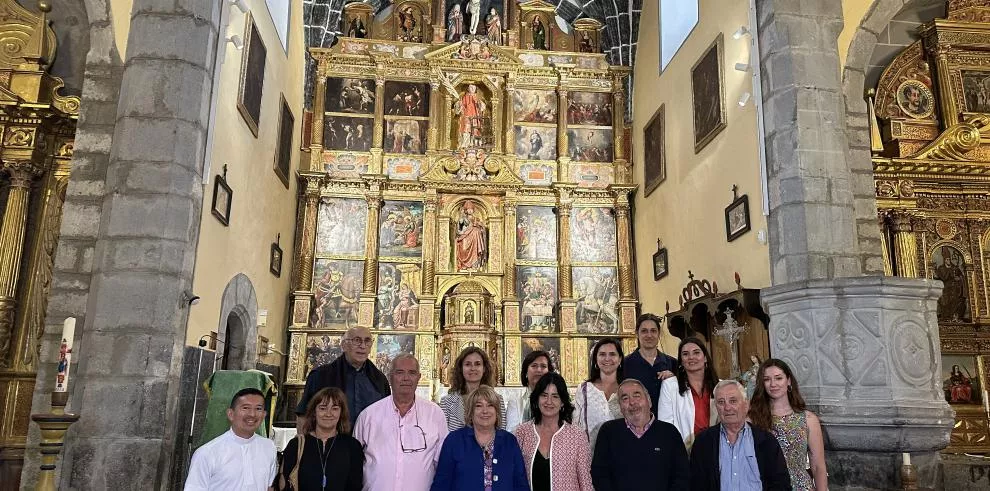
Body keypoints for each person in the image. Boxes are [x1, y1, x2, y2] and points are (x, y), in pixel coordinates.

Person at [353, 354, 448, 491]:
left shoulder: (435, 414)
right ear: (390, 377)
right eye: (400, 372)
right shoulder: (369, 416)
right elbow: (353, 464)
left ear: (419, 377)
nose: (406, 378)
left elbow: (443, 463)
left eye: (412, 373)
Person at [690, 380, 791, 490]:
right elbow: (696, 485)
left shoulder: (766, 441)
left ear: (746, 405)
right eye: (721, 402)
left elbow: (781, 484)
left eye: (733, 401)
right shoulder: (703, 442)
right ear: (716, 407)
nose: (727, 408)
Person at [591, 380, 689, 490]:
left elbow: (682, 476)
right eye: (625, 398)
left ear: (649, 401)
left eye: (637, 396)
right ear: (620, 408)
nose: (632, 402)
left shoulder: (670, 432)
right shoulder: (608, 431)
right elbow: (599, 474)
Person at [748, 359, 827, 491]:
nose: (773, 384)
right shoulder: (752, 420)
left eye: (778, 378)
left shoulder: (808, 419)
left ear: (788, 381)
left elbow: (818, 466)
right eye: (767, 379)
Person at [431, 385, 529, 491]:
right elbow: (441, 484)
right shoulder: (454, 441)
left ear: (497, 412)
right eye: (478, 406)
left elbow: (521, 484)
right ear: (470, 412)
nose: (485, 411)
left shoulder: (510, 441)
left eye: (490, 405)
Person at [296, 326, 390, 431]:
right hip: (333, 443)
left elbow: (387, 415)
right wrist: (303, 440)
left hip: (371, 442)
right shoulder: (320, 375)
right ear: (344, 345)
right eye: (357, 341)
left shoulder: (380, 380)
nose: (363, 346)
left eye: (367, 341)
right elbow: (304, 413)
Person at [185, 388, 277, 490]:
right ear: (230, 414)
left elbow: (270, 487)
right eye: (245, 408)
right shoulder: (207, 453)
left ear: (264, 415)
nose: (252, 414)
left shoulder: (269, 447)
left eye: (258, 409)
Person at [513, 373, 593, 491]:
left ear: (562, 402)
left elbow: (586, 483)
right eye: (544, 395)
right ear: (537, 399)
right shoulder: (522, 433)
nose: (549, 401)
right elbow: (514, 477)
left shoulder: (577, 435)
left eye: (555, 396)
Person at [279, 388, 363, 491]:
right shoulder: (296, 445)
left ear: (341, 413)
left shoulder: (352, 446)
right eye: (323, 408)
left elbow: (355, 486)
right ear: (314, 412)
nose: (328, 413)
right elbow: (285, 485)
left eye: (335, 408)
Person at [658, 336, 719, 448]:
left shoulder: (720, 386)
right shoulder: (670, 385)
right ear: (681, 361)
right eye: (685, 354)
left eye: (696, 353)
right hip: (684, 448)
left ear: (705, 358)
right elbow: (665, 425)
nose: (691, 357)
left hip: (716, 446)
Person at [439, 346, 508, 430]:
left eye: (477, 364)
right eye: (468, 364)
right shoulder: (447, 402)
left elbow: (501, 431)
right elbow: (443, 436)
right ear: (461, 369)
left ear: (484, 369)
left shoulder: (497, 399)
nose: (473, 368)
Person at [575, 338, 624, 450]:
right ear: (596, 359)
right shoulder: (584, 389)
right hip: (590, 456)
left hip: (623, 454)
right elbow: (576, 426)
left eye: (612, 354)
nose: (607, 358)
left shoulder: (627, 388)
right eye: (602, 354)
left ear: (620, 359)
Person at [623, 313, 677, 412]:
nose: (649, 335)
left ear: (658, 333)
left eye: (653, 331)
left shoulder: (673, 363)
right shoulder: (625, 364)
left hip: (666, 422)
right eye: (644, 331)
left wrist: (674, 379)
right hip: (636, 422)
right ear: (637, 334)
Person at [506, 350, 554, 431]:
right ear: (526, 372)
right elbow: (511, 431)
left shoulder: (557, 398)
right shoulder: (516, 400)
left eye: (543, 366)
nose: (539, 370)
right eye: (534, 366)